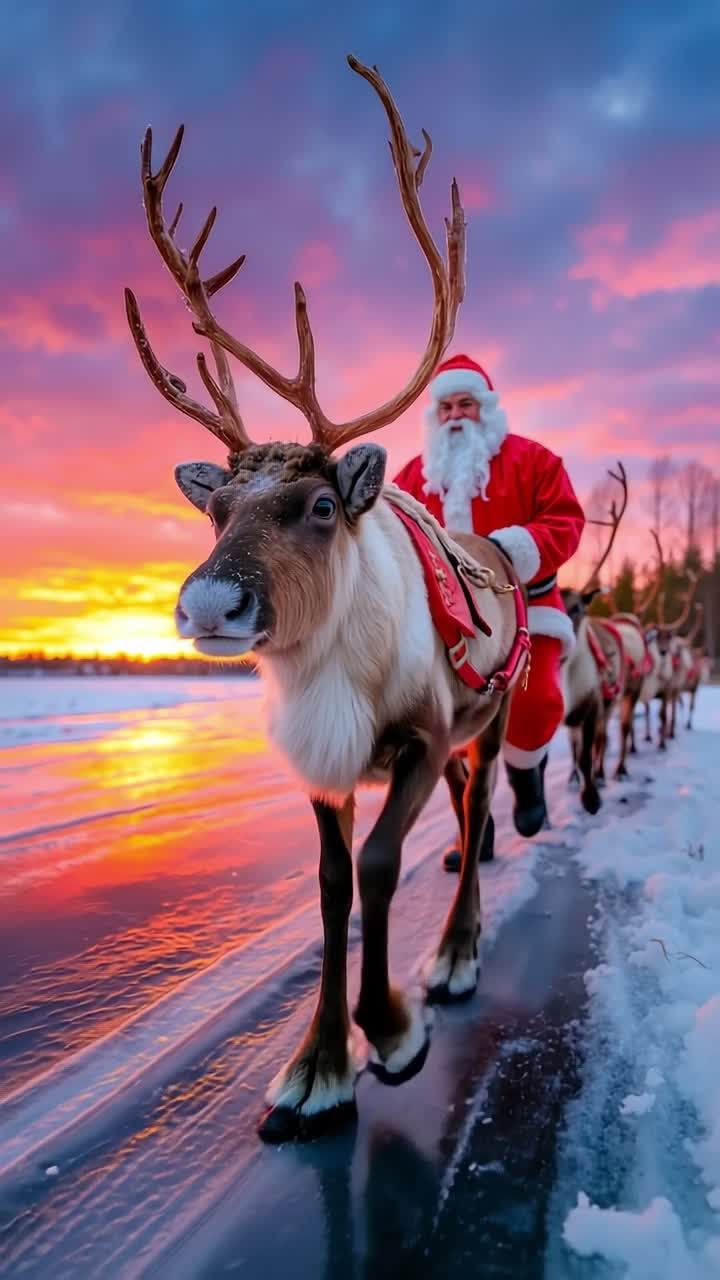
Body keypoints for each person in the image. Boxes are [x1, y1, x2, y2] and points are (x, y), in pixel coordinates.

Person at [393, 353, 585, 869]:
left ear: (488, 410)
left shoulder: (534, 461)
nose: (456, 415)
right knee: (445, 722)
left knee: (535, 701)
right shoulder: (414, 477)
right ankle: (474, 828)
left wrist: (514, 549)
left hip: (526, 606)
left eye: (467, 405)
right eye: (447, 406)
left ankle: (526, 777)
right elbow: (387, 539)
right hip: (445, 620)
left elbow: (565, 520)